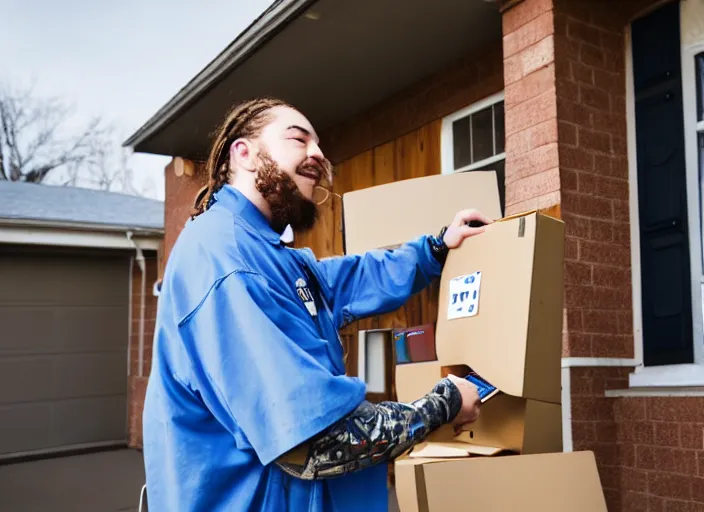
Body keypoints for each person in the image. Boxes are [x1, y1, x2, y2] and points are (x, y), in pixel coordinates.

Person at [142, 97, 492, 512]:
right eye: (298, 139)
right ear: (244, 154)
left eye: (319, 145)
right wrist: (444, 404)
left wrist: (434, 250)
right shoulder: (226, 262)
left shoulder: (268, 255)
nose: (318, 154)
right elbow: (318, 442)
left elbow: (352, 277)